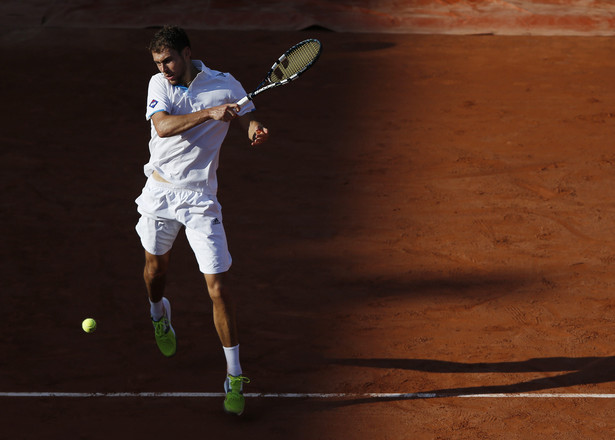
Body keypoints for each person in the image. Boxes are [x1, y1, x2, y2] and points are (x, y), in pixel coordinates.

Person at [134, 25, 269, 416]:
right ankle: (159, 312)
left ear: (187, 53)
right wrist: (209, 112)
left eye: (169, 60)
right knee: (154, 271)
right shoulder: (158, 85)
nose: (165, 69)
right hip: (159, 191)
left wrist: (253, 128)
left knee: (217, 287)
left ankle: (234, 374)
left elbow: (247, 115)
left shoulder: (225, 84)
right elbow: (163, 126)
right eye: (158, 63)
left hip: (199, 200)